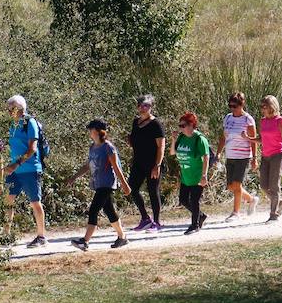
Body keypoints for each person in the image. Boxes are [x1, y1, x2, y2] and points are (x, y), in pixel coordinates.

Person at [66, 119, 131, 251]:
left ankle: (85, 241)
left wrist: (125, 184)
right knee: (109, 211)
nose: (90, 132)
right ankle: (122, 237)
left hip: (107, 184)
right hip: (98, 183)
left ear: (97, 131)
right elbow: (87, 166)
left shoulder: (108, 147)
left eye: (91, 129)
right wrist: (73, 177)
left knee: (94, 209)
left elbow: (116, 167)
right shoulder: (92, 147)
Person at [2, 95, 48, 248]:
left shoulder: (30, 123)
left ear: (20, 109)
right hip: (15, 170)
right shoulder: (13, 125)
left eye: (11, 108)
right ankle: (6, 235)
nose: (9, 111)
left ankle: (41, 237)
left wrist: (15, 164)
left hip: (30, 169)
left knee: (35, 203)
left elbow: (32, 149)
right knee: (8, 200)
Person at [241, 95, 282, 222]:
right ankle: (280, 201)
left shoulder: (280, 121)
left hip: (278, 155)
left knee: (274, 186)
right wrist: (249, 138)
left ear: (272, 106)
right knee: (264, 185)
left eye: (264, 106)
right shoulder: (263, 121)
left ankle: (273, 214)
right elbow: (262, 139)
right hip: (265, 155)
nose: (262, 109)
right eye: (261, 107)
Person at [215, 92, 259, 222]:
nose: (232, 108)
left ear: (242, 105)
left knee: (237, 184)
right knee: (230, 186)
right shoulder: (228, 118)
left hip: (243, 156)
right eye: (230, 105)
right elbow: (223, 136)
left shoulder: (248, 120)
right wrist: (218, 152)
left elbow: (253, 140)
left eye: (235, 106)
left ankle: (236, 212)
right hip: (230, 155)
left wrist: (254, 158)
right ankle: (251, 199)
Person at [126, 95, 165, 233]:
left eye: (146, 105)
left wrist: (158, 165)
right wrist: (131, 141)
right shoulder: (135, 122)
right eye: (141, 105)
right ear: (137, 107)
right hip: (138, 162)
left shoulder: (156, 124)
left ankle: (157, 222)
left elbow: (161, 146)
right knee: (132, 188)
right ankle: (145, 218)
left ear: (151, 107)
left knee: (153, 191)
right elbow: (136, 141)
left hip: (152, 163)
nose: (143, 108)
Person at [169, 112, 210, 235]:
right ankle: (200, 216)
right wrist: (173, 140)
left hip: (197, 175)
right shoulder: (181, 137)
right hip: (186, 175)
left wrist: (204, 175)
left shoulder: (199, 139)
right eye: (180, 125)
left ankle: (195, 225)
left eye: (183, 125)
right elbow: (172, 153)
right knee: (183, 199)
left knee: (194, 200)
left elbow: (206, 157)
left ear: (192, 125)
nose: (181, 128)